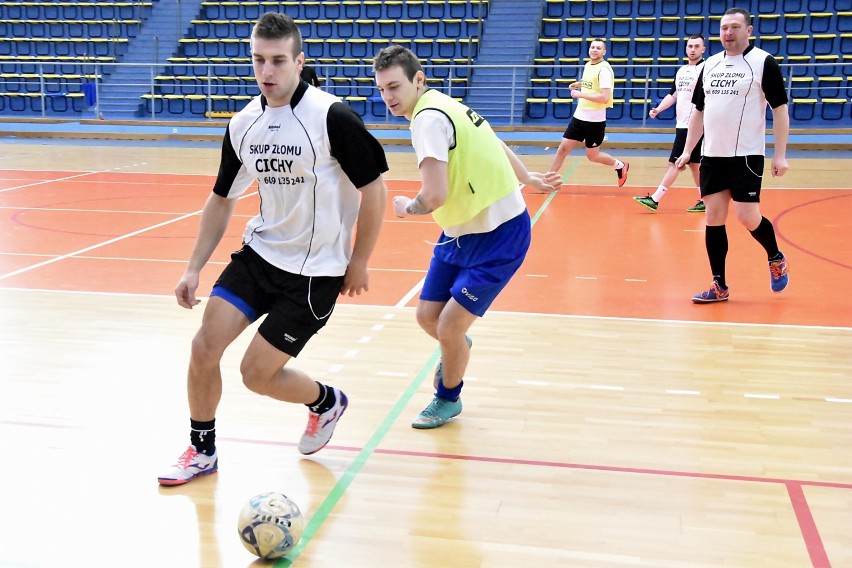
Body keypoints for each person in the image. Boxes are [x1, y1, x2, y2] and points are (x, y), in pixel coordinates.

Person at [158, 12, 388, 486]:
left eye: (279, 61)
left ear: (299, 62)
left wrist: (359, 259)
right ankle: (202, 451)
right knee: (204, 345)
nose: (267, 72)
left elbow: (375, 189)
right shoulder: (244, 123)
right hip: (261, 256)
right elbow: (222, 197)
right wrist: (192, 268)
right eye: (259, 60)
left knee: (255, 375)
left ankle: (325, 401)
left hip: (315, 272)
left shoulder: (332, 117)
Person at [372, 45, 560, 429]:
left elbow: (433, 195)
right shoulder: (444, 104)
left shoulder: (428, 119)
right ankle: (456, 348)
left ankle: (447, 399)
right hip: (458, 233)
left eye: (394, 86)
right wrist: (528, 177)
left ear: (418, 79)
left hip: (500, 234)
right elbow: (494, 141)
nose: (388, 97)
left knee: (448, 327)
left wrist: (406, 206)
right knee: (428, 317)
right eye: (381, 89)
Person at [675, 8, 789, 303]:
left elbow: (780, 110)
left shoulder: (763, 62)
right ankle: (719, 285)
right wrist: (689, 150)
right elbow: (698, 111)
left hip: (747, 155)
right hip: (713, 154)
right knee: (713, 216)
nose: (728, 32)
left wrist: (780, 155)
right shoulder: (709, 65)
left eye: (735, 27)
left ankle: (775, 257)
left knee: (747, 217)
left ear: (748, 30)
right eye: (724, 27)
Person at [634, 34, 707, 213]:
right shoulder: (682, 71)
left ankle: (655, 199)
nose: (693, 49)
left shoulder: (706, 69)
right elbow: (673, 95)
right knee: (695, 164)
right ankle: (705, 199)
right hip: (681, 123)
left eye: (697, 46)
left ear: (703, 49)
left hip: (694, 125)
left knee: (675, 164)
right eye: (690, 46)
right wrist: (658, 109)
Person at [547, 38, 629, 188]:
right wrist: (579, 84)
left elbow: (604, 97)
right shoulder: (588, 65)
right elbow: (590, 84)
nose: (594, 50)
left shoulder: (604, 70)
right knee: (562, 149)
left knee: (593, 156)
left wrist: (580, 94)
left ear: (604, 52)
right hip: (579, 117)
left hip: (595, 121)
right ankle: (548, 180)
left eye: (598, 48)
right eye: (592, 47)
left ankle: (620, 165)